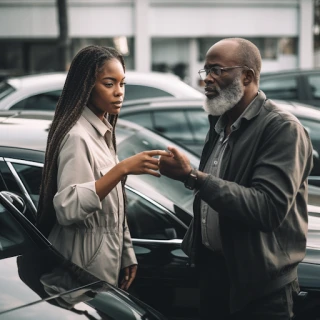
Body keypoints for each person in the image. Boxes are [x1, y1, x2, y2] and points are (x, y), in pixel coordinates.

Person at [158, 38, 314, 320]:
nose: (208, 80)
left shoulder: (282, 129)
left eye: (217, 70)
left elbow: (267, 208)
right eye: (206, 71)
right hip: (215, 278)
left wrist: (193, 177)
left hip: (261, 291)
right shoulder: (220, 124)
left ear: (248, 76)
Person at [36, 45, 171, 291]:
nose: (119, 92)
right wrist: (122, 170)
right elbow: (67, 208)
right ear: (86, 87)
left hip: (105, 255)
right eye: (109, 84)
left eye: (122, 83)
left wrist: (126, 251)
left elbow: (114, 211)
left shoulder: (102, 130)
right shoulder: (77, 136)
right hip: (80, 263)